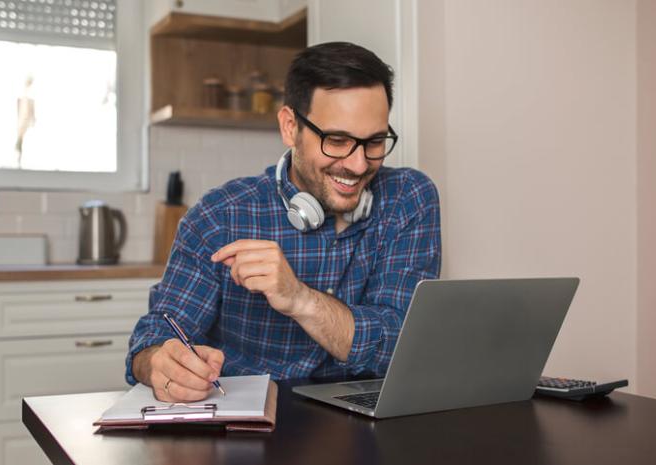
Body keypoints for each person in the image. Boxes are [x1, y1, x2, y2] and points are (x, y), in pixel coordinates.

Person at [126, 42, 441, 403]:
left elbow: (401, 348)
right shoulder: (220, 216)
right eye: (336, 140)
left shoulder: (409, 199)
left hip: (365, 428)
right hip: (248, 430)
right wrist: (159, 364)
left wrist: (299, 299)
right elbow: (154, 336)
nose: (358, 165)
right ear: (291, 127)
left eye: (374, 142)